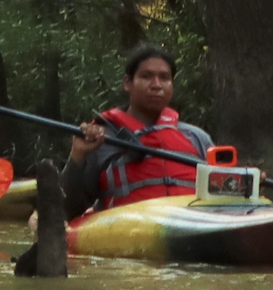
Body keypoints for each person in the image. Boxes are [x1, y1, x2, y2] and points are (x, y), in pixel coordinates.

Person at [64, 45, 218, 213]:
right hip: (127, 234)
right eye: (146, 76)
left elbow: (226, 197)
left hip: (193, 230)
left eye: (165, 78)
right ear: (127, 83)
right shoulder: (101, 139)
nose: (157, 85)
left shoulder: (197, 138)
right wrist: (77, 154)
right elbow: (68, 209)